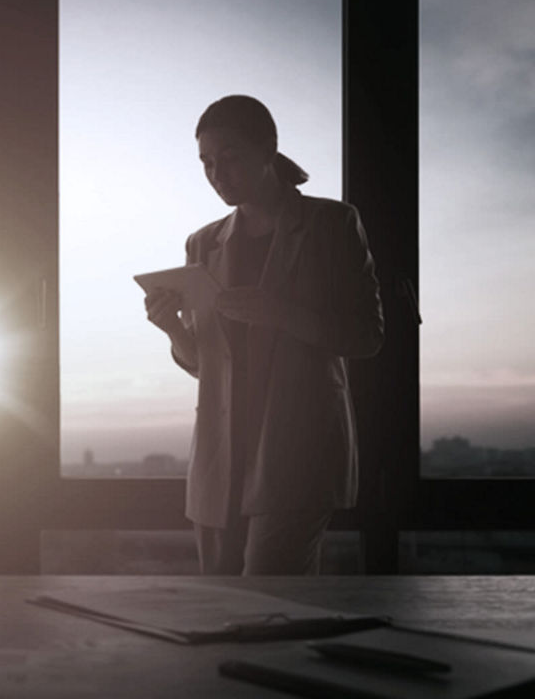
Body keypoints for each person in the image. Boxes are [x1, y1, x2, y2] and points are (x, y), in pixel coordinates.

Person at [144, 95, 383, 575]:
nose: (217, 174)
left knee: (273, 592)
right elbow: (204, 363)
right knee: (222, 599)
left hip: (299, 444)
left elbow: (367, 336)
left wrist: (282, 314)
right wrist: (171, 328)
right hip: (221, 445)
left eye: (230, 157)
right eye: (207, 163)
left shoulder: (331, 224)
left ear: (269, 148)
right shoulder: (203, 242)